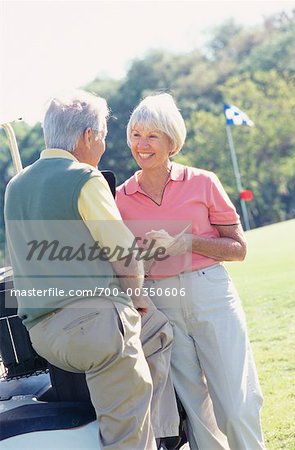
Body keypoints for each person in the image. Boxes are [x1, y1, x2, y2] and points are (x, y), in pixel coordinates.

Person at [4, 90, 179, 450]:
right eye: (101, 135)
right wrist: (136, 297)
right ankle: (156, 435)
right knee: (128, 434)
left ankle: (153, 429)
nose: (102, 144)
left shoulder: (15, 186)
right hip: (93, 327)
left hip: (43, 333)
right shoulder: (85, 177)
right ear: (87, 136)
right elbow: (124, 256)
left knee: (153, 333)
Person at [116, 93, 265, 450]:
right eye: (135, 134)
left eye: (152, 135)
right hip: (161, 300)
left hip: (210, 291)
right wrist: (142, 257)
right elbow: (124, 262)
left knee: (236, 404)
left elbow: (239, 248)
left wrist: (187, 242)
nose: (142, 144)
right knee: (196, 410)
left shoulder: (203, 182)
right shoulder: (120, 198)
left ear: (171, 141)